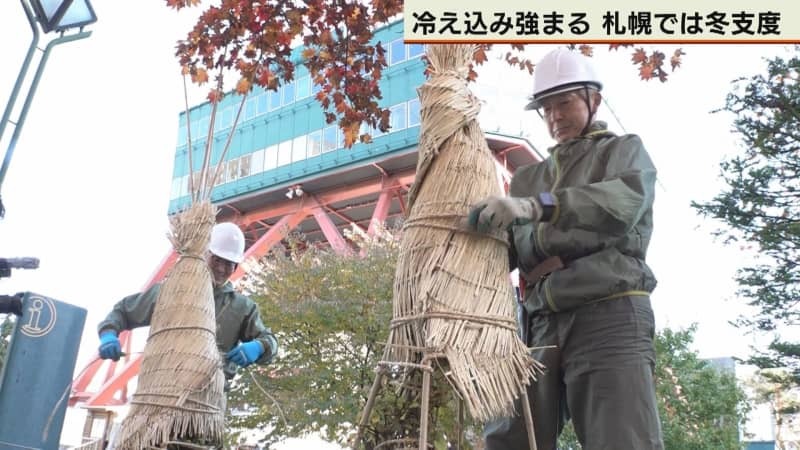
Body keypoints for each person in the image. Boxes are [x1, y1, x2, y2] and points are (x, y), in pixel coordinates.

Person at [469, 48, 664, 449]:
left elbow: (621, 204)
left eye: (565, 102)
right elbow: (504, 253)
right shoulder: (528, 177)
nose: (555, 116)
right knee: (509, 437)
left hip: (607, 308)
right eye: (546, 107)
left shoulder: (622, 152)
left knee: (620, 437)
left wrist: (537, 207)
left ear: (593, 100)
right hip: (538, 320)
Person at [96, 222, 279, 448]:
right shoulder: (170, 292)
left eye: (229, 263)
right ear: (205, 254)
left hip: (204, 411)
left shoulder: (241, 308)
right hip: (157, 404)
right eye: (218, 259)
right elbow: (122, 311)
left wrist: (258, 348)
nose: (222, 268)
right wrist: (108, 335)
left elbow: (269, 340)